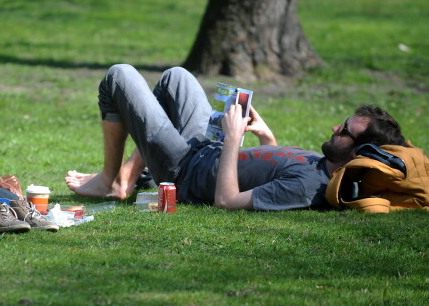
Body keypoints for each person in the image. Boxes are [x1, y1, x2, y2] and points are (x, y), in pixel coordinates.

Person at [65, 64, 407, 210]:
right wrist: (266, 138)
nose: (336, 128)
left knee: (120, 76)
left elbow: (227, 200)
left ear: (359, 152)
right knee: (176, 78)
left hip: (184, 171)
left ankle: (110, 180)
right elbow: (264, 172)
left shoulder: (310, 187)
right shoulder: (322, 165)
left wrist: (231, 140)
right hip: (205, 150)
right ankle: (127, 177)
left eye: (346, 131)